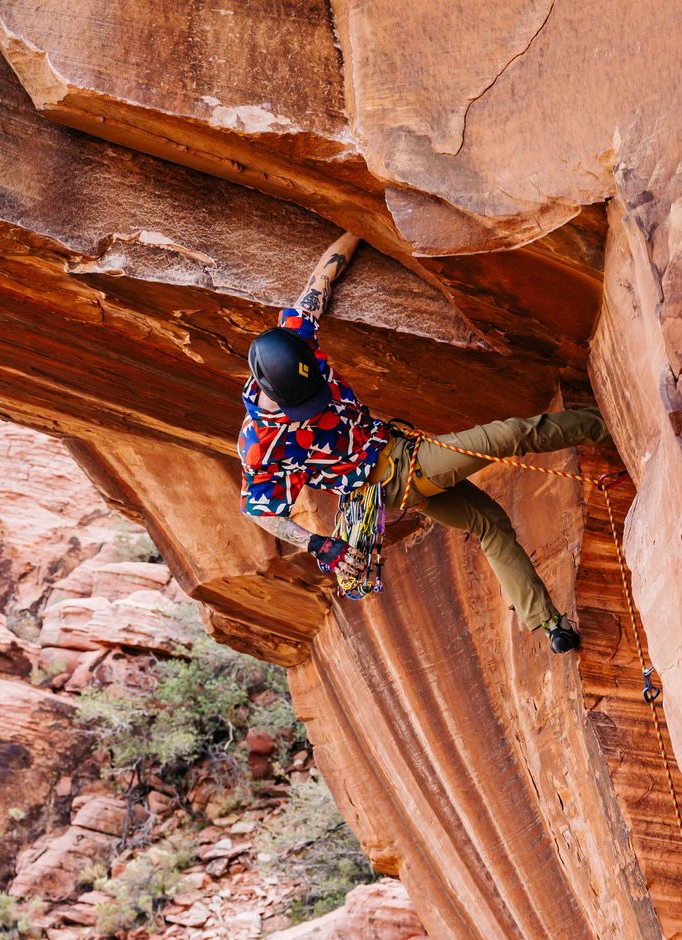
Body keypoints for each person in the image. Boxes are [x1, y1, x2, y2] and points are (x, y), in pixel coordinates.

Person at [238, 230, 610, 652]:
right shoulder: (261, 443)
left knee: (489, 524)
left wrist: (359, 227)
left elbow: (320, 280)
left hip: (400, 460)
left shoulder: (293, 341)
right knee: (511, 435)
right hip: (398, 474)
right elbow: (257, 510)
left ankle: (550, 625)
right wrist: (319, 544)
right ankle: (608, 423)